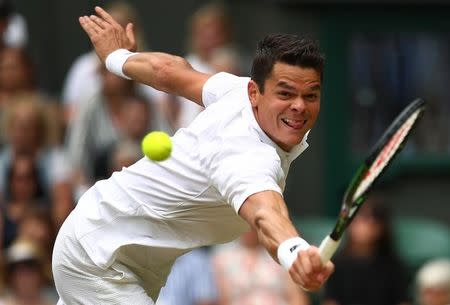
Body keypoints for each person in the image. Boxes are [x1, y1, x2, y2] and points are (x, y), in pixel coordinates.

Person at [52, 6, 334, 305]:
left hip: (114, 251)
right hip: (97, 260)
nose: (299, 107)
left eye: (311, 95)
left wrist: (117, 58)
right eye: (286, 94)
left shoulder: (236, 91)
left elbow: (171, 72)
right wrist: (294, 253)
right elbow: (266, 214)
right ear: (255, 92)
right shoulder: (247, 157)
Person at [322, 194, 411, 305]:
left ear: (382, 226)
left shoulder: (394, 266)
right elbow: (330, 301)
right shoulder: (335, 264)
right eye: (358, 217)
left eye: (373, 218)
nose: (366, 224)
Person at [213, 229, 310, 305]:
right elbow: (223, 300)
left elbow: (296, 297)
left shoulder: (281, 254)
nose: (250, 229)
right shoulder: (223, 257)